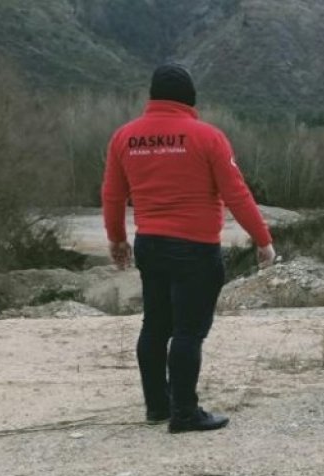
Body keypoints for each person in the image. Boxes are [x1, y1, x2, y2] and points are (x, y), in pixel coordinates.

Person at [102, 63, 276, 433]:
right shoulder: (207, 137)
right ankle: (184, 412)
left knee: (155, 326)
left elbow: (113, 195)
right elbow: (236, 194)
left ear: (152, 97)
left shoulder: (124, 137)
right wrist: (263, 240)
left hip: (149, 244)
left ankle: (157, 406)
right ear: (191, 98)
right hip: (195, 249)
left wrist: (117, 239)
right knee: (188, 332)